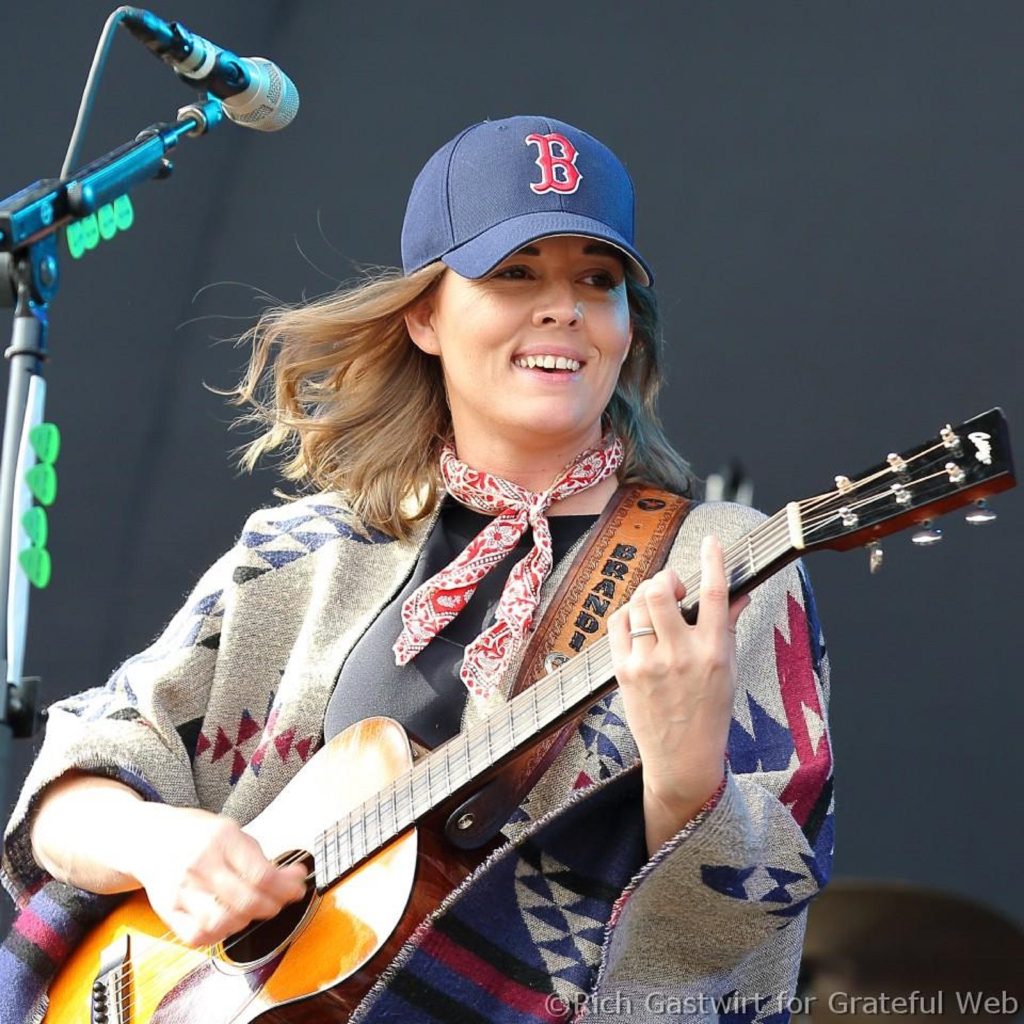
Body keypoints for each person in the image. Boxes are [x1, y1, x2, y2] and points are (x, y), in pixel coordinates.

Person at [1, 115, 833, 1023]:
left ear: (629, 327)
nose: (564, 307)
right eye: (515, 272)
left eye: (598, 280)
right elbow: (77, 779)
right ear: (425, 316)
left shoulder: (720, 565)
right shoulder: (304, 554)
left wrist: (686, 782)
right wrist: (156, 842)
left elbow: (758, 913)